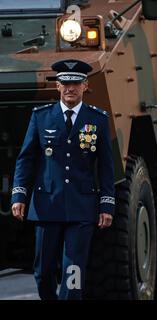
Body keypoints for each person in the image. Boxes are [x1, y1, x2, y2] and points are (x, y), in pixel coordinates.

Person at [11, 59, 115, 300]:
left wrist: (106, 204)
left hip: (82, 207)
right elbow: (25, 159)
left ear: (85, 85)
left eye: (76, 83)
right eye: (66, 83)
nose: (71, 88)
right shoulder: (41, 117)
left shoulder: (97, 119)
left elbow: (107, 167)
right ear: (57, 86)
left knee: (74, 271)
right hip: (47, 206)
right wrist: (19, 195)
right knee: (43, 271)